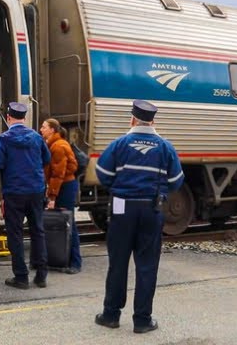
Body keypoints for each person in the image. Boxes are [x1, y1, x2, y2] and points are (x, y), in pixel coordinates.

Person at [93, 100, 184, 335]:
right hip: (151, 209)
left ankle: (111, 315)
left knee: (118, 263)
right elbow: (177, 181)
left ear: (132, 119)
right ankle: (142, 320)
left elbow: (102, 173)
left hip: (122, 208)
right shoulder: (165, 147)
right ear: (153, 121)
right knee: (147, 265)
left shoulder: (119, 144)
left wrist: (120, 186)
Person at [0, 101, 51, 289]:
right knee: (38, 231)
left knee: (15, 234)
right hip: (36, 190)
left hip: (14, 192)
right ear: (24, 118)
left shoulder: (3, 139)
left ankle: (21, 277)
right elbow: (47, 158)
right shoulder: (36, 137)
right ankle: (41, 276)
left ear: (8, 117)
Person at [40, 118, 81, 274]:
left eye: (44, 127)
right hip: (63, 186)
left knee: (69, 223)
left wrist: (52, 196)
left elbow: (58, 174)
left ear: (52, 130)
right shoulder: (54, 144)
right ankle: (64, 260)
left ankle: (75, 262)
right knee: (66, 222)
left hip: (65, 187)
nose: (41, 129)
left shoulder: (58, 146)